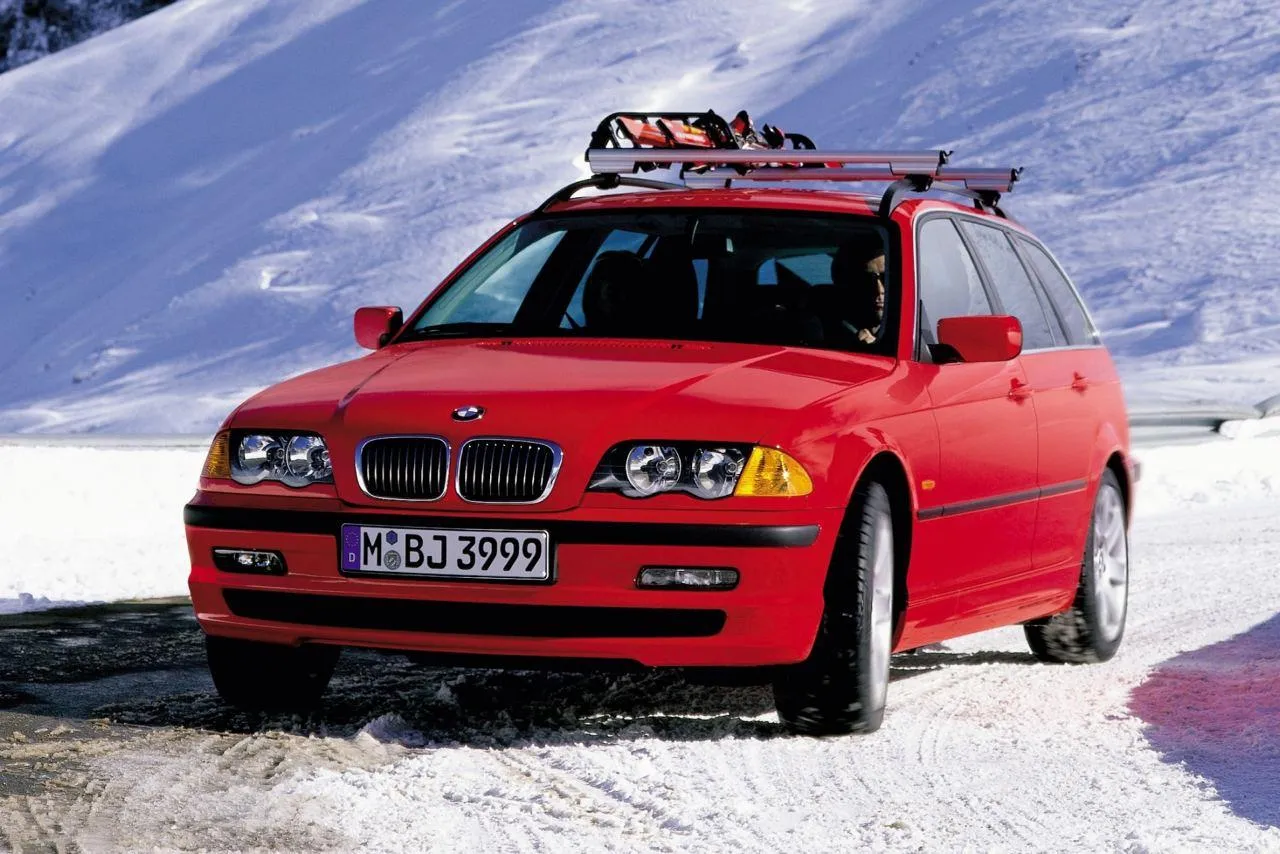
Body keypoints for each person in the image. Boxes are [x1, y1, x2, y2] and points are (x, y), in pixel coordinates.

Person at [830, 233, 887, 346]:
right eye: (867, 280)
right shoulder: (829, 335)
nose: (879, 289)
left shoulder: (911, 332)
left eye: (886, 278)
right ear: (848, 285)